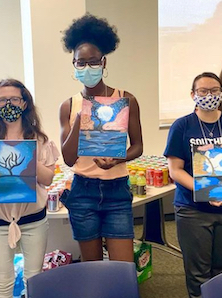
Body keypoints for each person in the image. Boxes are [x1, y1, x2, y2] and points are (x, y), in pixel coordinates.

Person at [58, 14, 143, 262]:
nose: (87, 68)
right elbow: (68, 158)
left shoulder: (125, 99)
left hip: (117, 190)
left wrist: (117, 159)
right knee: (92, 267)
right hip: (83, 191)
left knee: (122, 267)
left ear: (103, 62)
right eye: (80, 63)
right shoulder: (68, 105)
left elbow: (137, 146)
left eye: (93, 62)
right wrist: (80, 117)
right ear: (73, 65)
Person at [164, 72, 222, 298]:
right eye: (203, 91)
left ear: (221, 93)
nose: (209, 95)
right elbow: (175, 170)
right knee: (197, 273)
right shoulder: (182, 126)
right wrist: (204, 189)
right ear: (193, 95)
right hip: (193, 209)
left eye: (214, 90)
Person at [0, 79, 59, 297]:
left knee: (34, 278)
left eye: (14, 99)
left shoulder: (40, 140)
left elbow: (48, 179)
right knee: (3, 281)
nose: (8, 104)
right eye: (2, 100)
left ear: (24, 103)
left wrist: (27, 155)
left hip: (34, 219)